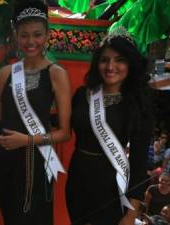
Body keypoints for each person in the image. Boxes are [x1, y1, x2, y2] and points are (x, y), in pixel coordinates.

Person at [0, 1, 71, 224]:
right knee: (10, 216)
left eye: (37, 35)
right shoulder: (6, 72)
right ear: (16, 35)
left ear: (47, 35)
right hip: (5, 160)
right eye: (24, 35)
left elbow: (65, 133)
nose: (31, 41)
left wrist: (26, 140)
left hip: (36, 161)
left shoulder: (56, 74)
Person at [65, 27, 155, 225]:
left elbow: (139, 166)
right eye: (105, 60)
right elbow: (62, 127)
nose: (110, 66)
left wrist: (131, 215)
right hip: (77, 182)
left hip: (112, 189)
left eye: (119, 60)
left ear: (131, 64)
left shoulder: (138, 104)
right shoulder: (82, 95)